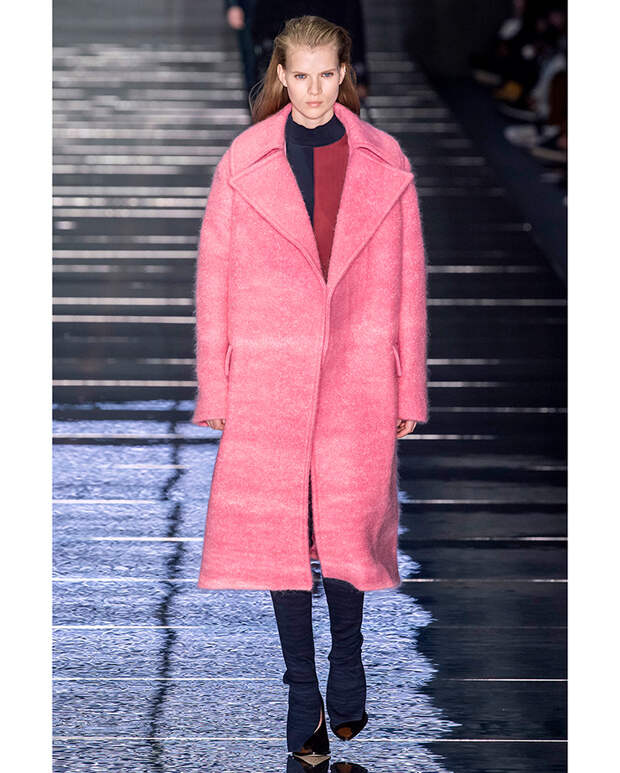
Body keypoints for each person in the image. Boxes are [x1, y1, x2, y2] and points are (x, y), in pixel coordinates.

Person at [192, 14, 429, 760]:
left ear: (344, 73)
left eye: (328, 74)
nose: (315, 90)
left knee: (349, 521)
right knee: (281, 532)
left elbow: (409, 284)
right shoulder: (246, 159)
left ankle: (347, 659)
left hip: (358, 364)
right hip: (270, 369)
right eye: (301, 75)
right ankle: (302, 687)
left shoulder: (385, 159)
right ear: (281, 76)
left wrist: (409, 388)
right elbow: (215, 282)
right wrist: (215, 387)